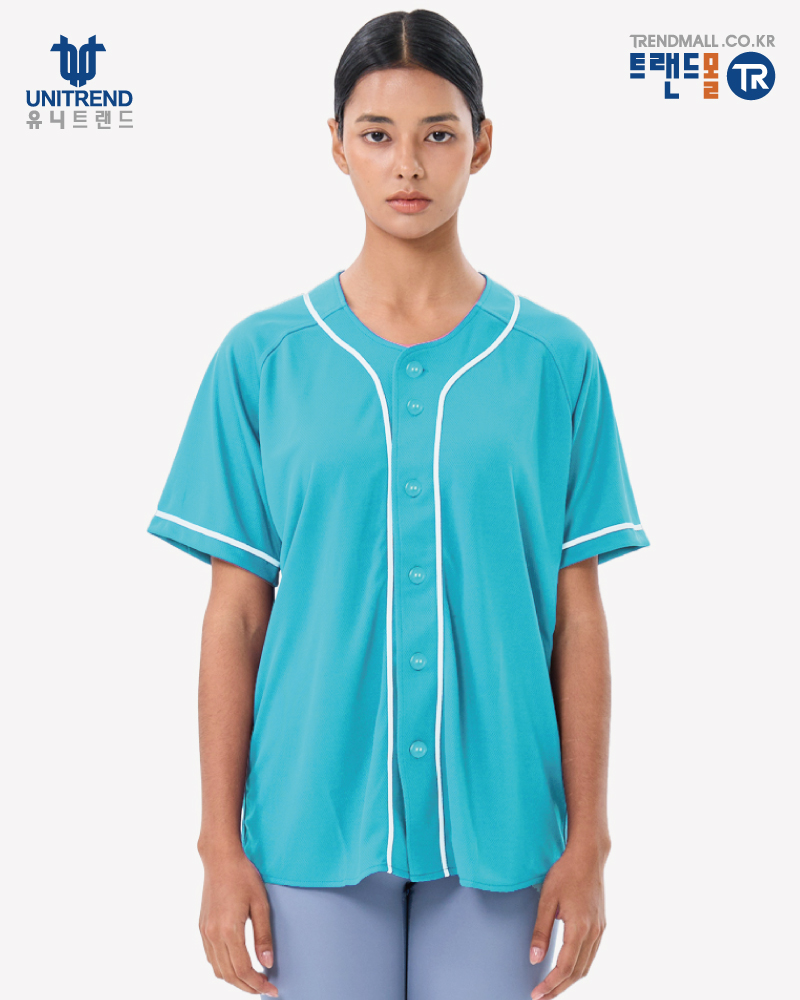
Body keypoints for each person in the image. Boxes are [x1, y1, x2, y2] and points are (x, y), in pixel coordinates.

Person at [147, 9, 649, 1000]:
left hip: (505, 823)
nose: (407, 164)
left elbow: (579, 613)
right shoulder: (262, 359)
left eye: (437, 133)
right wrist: (217, 846)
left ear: (482, 143)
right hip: (311, 816)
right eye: (376, 134)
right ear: (336, 145)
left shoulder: (555, 361)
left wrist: (589, 840)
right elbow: (235, 614)